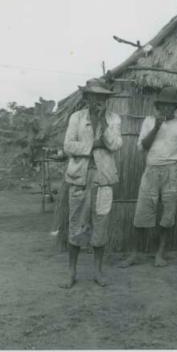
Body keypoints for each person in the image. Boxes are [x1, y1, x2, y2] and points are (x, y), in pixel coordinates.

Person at [120, 87, 177, 268]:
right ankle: (135, 254)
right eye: (163, 106)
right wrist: (157, 126)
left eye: (170, 106)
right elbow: (143, 147)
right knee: (141, 213)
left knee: (168, 215)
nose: (166, 109)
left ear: (174, 107)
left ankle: (159, 254)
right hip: (151, 171)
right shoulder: (149, 121)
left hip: (172, 172)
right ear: (158, 107)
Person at [60, 78, 122, 288]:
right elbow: (68, 146)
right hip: (80, 178)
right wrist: (92, 145)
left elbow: (115, 145)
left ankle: (98, 271)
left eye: (102, 97)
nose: (98, 101)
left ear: (106, 100)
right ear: (87, 98)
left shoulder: (113, 119)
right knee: (76, 225)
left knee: (101, 226)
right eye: (94, 97)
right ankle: (71, 272)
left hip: (103, 179)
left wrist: (102, 125)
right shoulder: (76, 118)